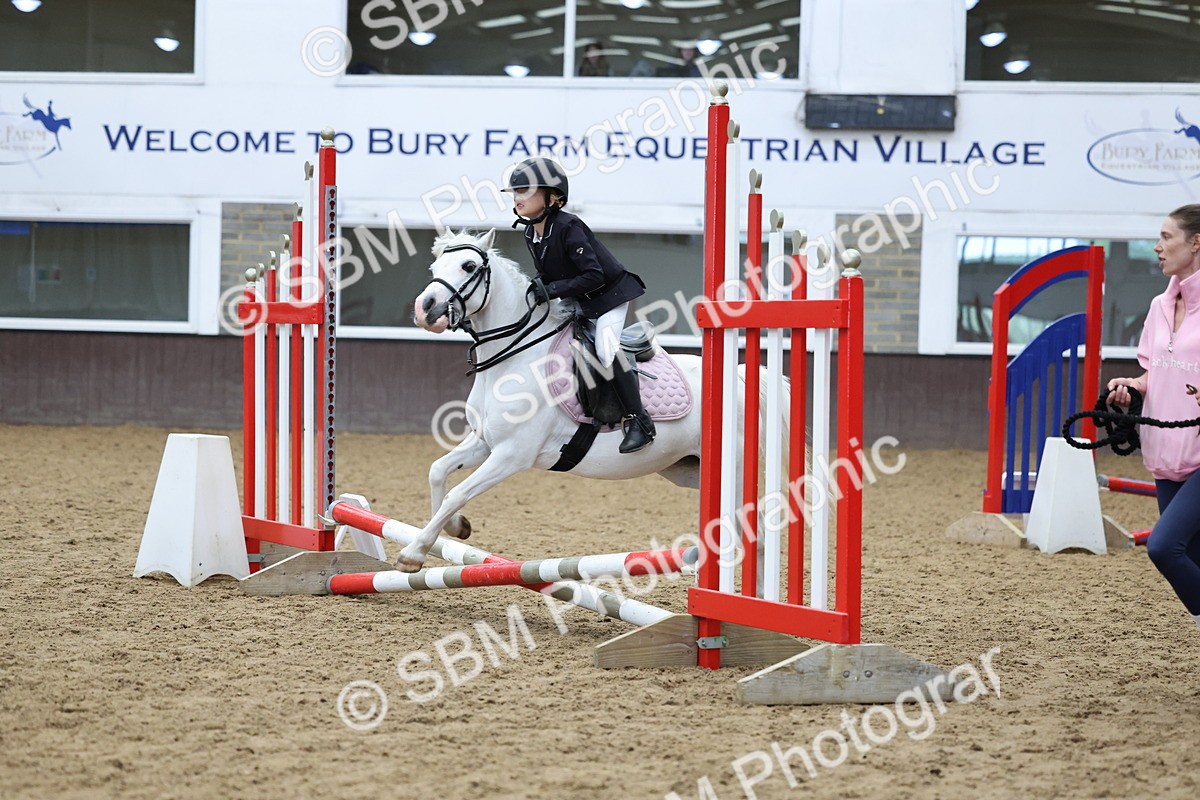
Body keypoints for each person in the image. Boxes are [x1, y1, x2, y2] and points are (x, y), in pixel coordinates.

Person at [502, 157, 654, 453]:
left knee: (606, 350)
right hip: (579, 300)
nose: (517, 198)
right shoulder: (531, 232)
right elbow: (549, 273)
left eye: (525, 192)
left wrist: (553, 289)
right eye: (515, 193)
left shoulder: (569, 226)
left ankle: (640, 421)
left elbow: (594, 275)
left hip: (608, 297)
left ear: (552, 197)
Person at [1108, 203, 1200, 632]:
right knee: (1194, 558)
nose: (1157, 246)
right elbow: (1158, 371)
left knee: (1163, 547)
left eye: (1166, 237)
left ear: (1196, 242)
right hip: (1165, 454)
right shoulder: (1159, 306)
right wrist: (1135, 387)